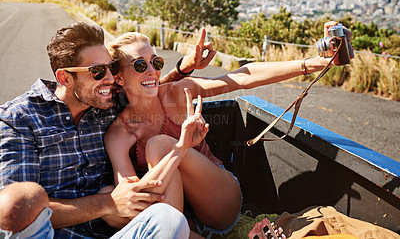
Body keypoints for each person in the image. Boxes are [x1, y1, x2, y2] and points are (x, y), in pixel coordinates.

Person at [104, 21, 345, 238]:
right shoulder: (118, 134)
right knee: (116, 196)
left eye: (156, 62)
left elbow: (240, 78)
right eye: (139, 65)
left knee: (158, 146)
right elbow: (131, 196)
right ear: (119, 78)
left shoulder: (176, 93)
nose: (151, 71)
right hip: (184, 215)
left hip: (220, 200)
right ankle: (183, 231)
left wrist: (312, 63)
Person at [0, 21, 216, 238]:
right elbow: (16, 213)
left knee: (169, 219)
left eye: (111, 68)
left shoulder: (106, 104)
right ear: (64, 78)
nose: (111, 78)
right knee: (19, 204)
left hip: (114, 232)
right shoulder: (20, 118)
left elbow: (144, 87)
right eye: (97, 72)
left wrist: (183, 68)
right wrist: (107, 203)